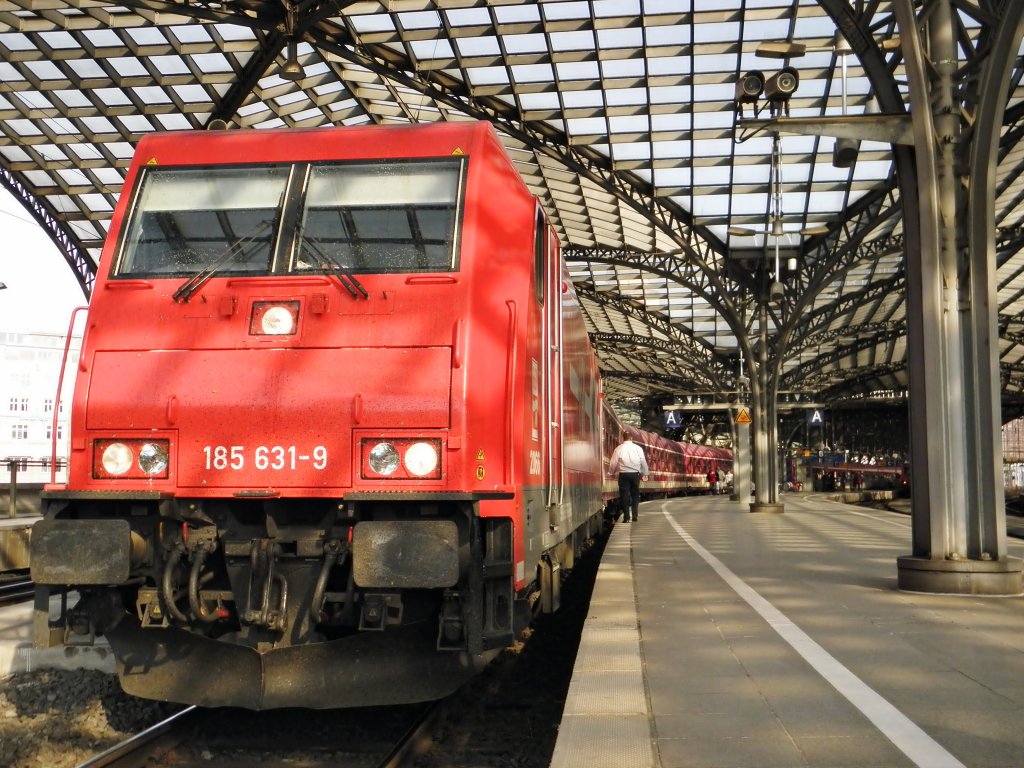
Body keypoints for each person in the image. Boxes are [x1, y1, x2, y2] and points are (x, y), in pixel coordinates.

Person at [608, 433, 649, 523]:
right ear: (631, 438)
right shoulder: (638, 448)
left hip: (624, 475)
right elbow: (643, 461)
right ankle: (635, 515)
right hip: (635, 475)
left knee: (624, 496)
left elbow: (613, 462)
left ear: (623, 438)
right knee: (635, 495)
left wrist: (611, 472)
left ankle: (626, 517)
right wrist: (645, 473)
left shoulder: (619, 448)